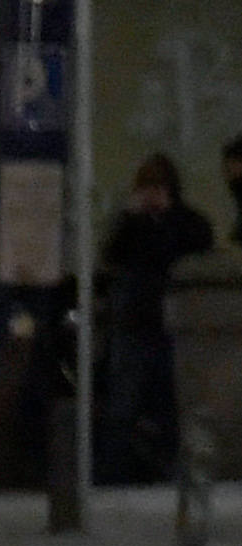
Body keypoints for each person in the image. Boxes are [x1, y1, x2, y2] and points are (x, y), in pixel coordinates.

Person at [99, 153, 213, 483]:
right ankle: (114, 472)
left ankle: (166, 470)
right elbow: (112, 253)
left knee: (166, 401)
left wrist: (168, 215)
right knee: (124, 401)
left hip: (168, 322)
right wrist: (129, 216)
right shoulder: (133, 224)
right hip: (135, 321)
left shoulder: (183, 222)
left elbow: (199, 237)